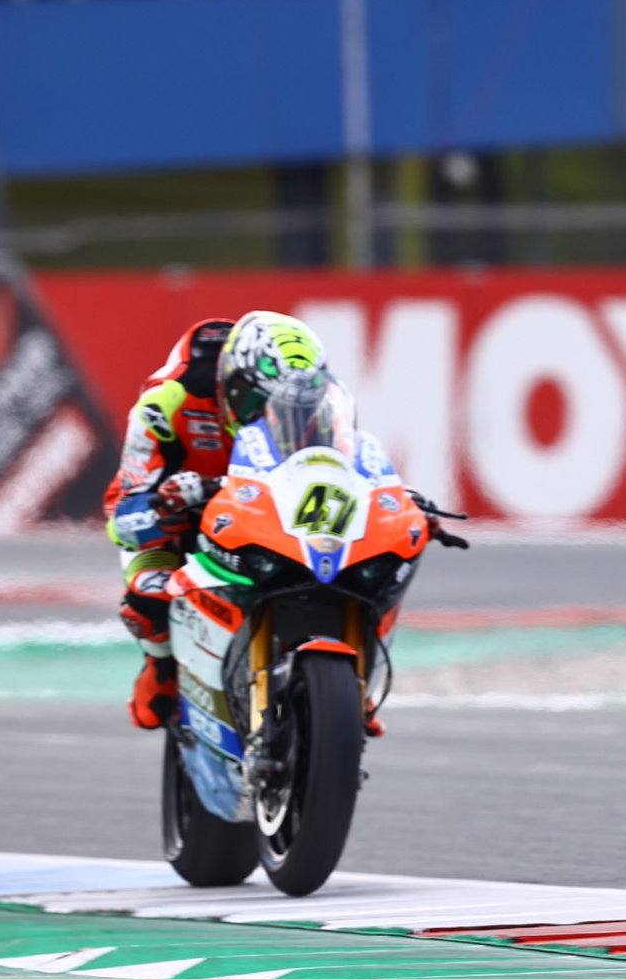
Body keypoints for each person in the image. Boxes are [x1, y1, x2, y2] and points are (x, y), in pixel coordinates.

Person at [102, 310, 442, 732]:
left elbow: (347, 469)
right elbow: (122, 509)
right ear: (230, 385)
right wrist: (164, 505)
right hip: (181, 517)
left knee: (371, 565)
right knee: (148, 594)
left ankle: (355, 690)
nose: (270, 415)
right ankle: (162, 670)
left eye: (285, 406)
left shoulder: (318, 403)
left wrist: (398, 504)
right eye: (257, 403)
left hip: (264, 512)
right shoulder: (167, 401)